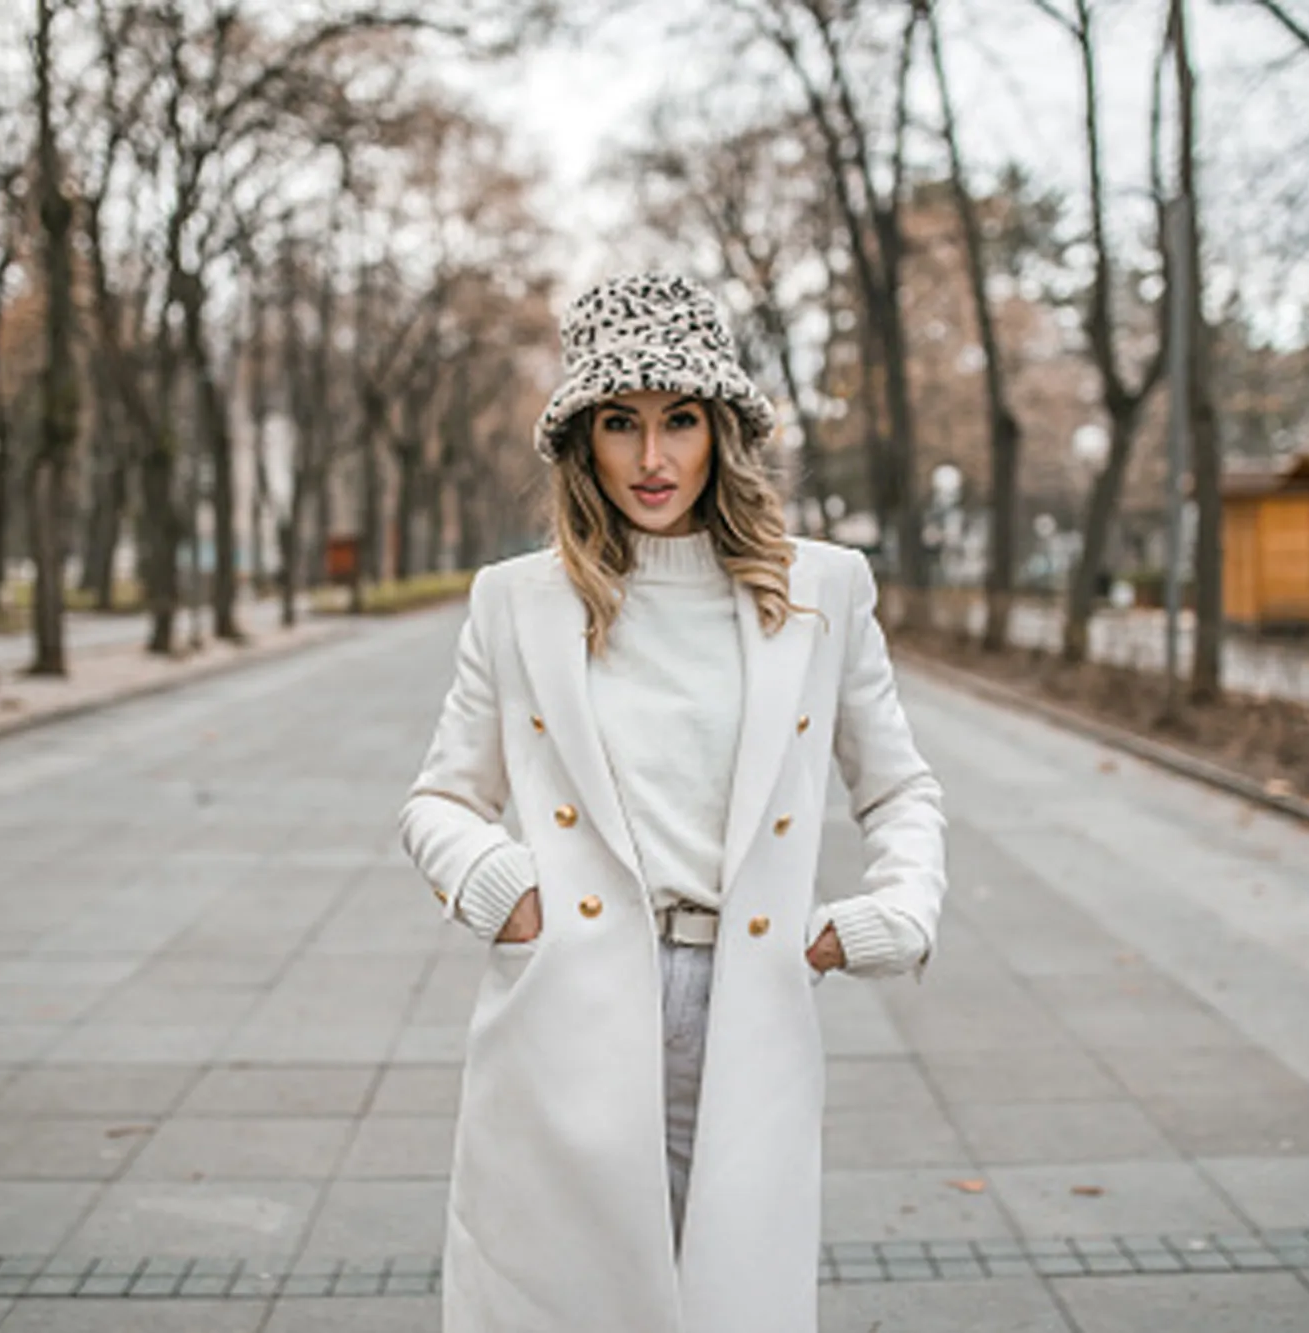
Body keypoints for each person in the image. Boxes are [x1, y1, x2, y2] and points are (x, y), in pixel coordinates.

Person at [399, 272, 947, 1333]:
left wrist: (890, 913)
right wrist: (500, 885)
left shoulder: (820, 589)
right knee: (562, 1300)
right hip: (567, 997)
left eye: (679, 421)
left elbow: (898, 786)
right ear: (582, 442)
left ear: (721, 429)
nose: (652, 460)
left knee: (728, 1302)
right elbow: (438, 799)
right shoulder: (518, 600)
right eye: (620, 423)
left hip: (747, 997)